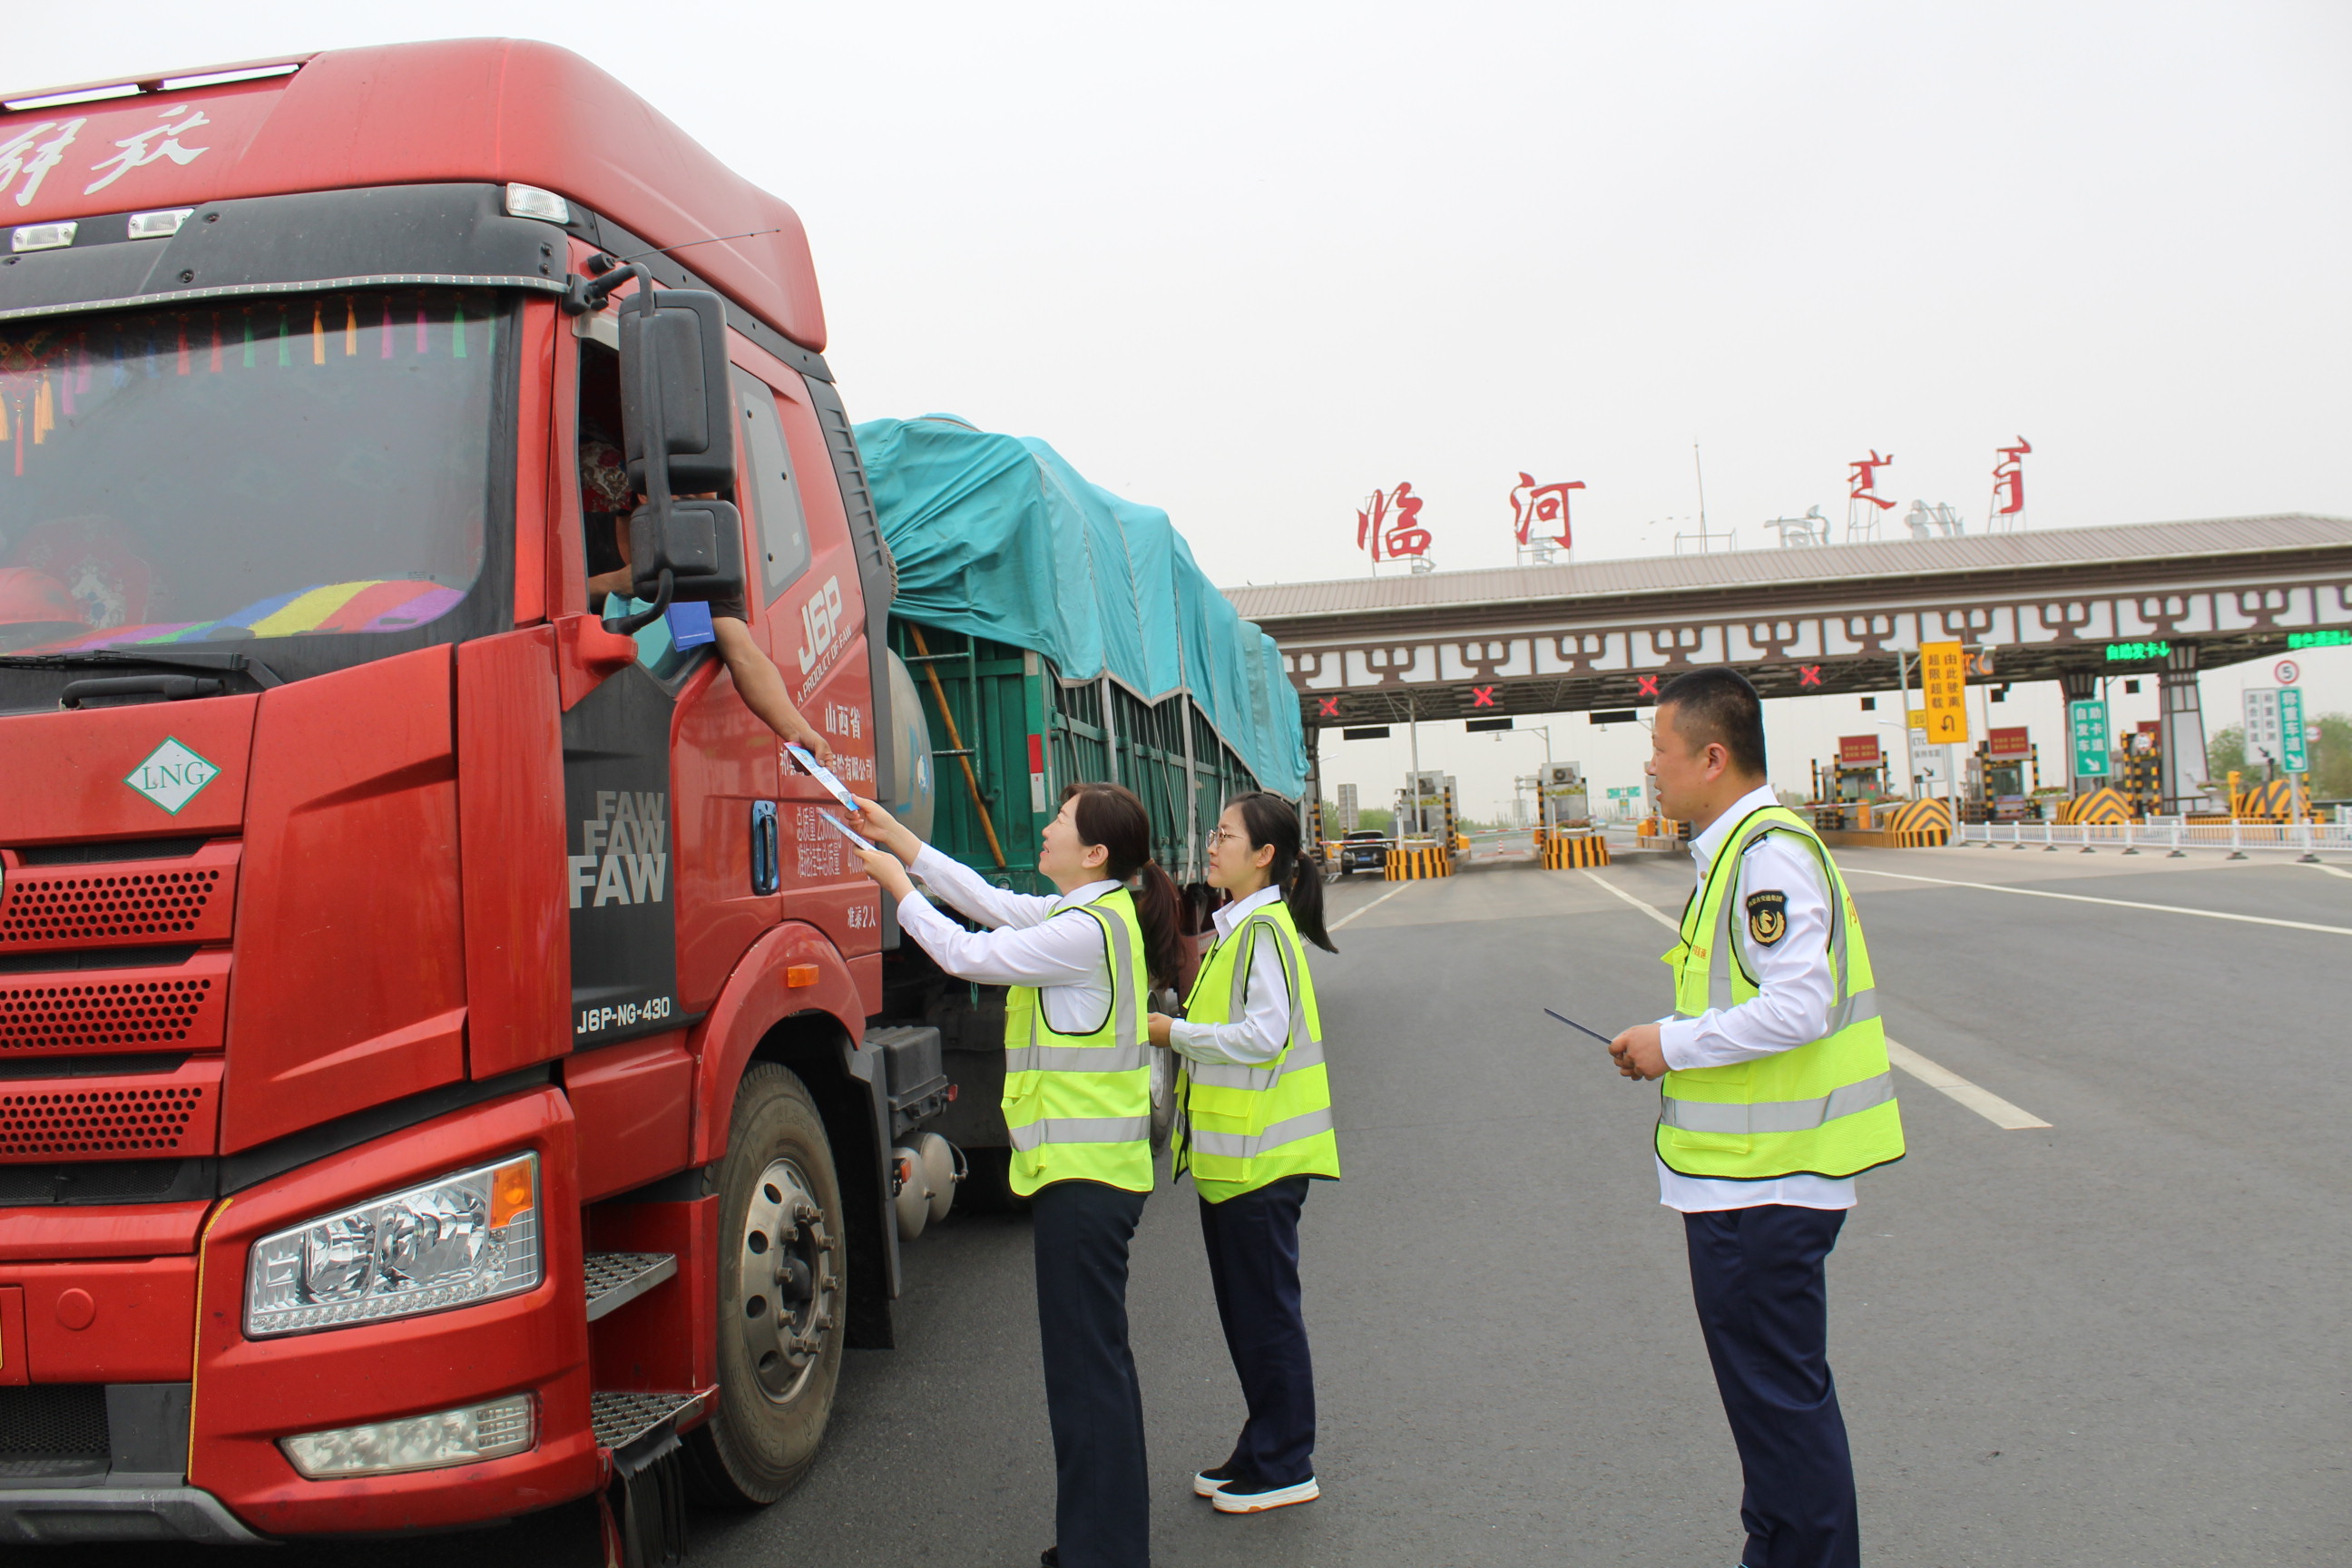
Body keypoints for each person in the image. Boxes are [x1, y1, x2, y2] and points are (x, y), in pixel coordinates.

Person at [1606, 666, 1904, 1568]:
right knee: (1769, 1412)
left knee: (1780, 1406)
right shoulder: (1737, 854)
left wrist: (1670, 1044)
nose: (1650, 767)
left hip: (1764, 1190)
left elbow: (1799, 1005)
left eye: (1660, 751)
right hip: (1744, 1184)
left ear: (1711, 755)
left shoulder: (1766, 854)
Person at [848, 783, 1183, 1568]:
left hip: (1086, 1181)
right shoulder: (1090, 917)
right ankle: (1103, 1545)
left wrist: (897, 890)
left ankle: (1103, 1554)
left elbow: (970, 953)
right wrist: (906, 841)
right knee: (1093, 1368)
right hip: (1088, 1175)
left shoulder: (1084, 932)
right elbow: (992, 903)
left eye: (1060, 822)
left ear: (1094, 853)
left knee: (1087, 1376)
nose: (1045, 827)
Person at [1146, 791, 1339, 1515]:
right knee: (1247, 1315)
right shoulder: (1238, 928)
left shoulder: (1263, 934)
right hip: (1235, 1166)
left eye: (1226, 835)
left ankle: (1287, 1460)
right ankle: (1264, 1443)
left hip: (1262, 1164)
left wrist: (1174, 1032)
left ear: (1264, 855)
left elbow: (1264, 1038)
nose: (1213, 844)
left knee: (1265, 1315)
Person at [578, 437, 833, 765]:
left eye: (707, 496)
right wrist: (613, 583)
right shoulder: (582, 534)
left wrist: (796, 730)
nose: (696, 511)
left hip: (650, 732)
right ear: (644, 491)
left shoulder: (704, 563)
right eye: (683, 495)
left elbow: (744, 656)